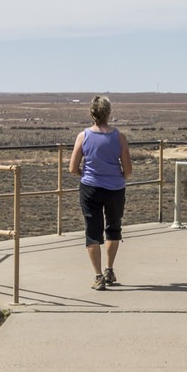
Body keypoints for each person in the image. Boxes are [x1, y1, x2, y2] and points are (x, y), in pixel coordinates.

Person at [68, 95, 132, 291]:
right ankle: (109, 269)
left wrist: (87, 174)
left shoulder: (83, 136)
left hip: (90, 189)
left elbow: (72, 167)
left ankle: (98, 277)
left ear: (92, 113)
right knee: (113, 228)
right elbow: (128, 171)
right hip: (115, 189)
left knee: (93, 231)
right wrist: (116, 175)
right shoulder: (119, 137)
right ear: (109, 113)